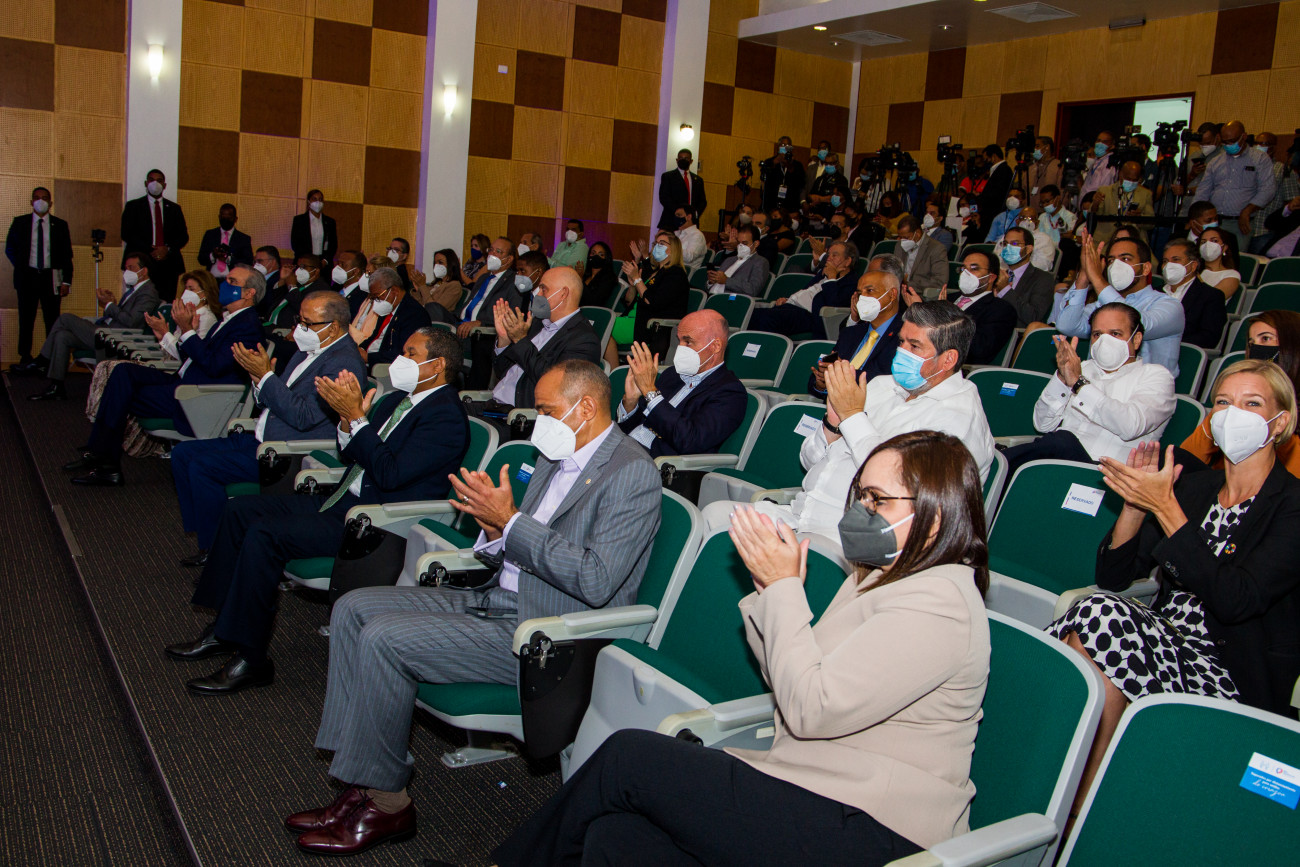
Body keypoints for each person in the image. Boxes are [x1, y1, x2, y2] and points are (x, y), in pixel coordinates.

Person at [491, 429, 991, 866]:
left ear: (934, 515)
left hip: (874, 828)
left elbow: (810, 709)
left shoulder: (940, 602)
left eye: (878, 500)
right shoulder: (879, 579)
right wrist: (771, 589)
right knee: (617, 838)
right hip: (812, 790)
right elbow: (789, 677)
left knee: (629, 758)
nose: (861, 510)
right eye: (860, 496)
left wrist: (784, 590)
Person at [283, 361, 661, 855]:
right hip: (496, 597)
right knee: (354, 608)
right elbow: (518, 543)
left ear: (585, 407)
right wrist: (494, 529)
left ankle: (386, 803)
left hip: (547, 633)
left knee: (383, 638)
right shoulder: (554, 456)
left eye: (547, 410)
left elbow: (595, 580)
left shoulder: (632, 472)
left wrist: (513, 522)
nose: (538, 421)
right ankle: (358, 778)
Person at [1051, 360, 1300, 821]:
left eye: (1251, 404)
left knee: (1102, 620)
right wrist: (1134, 507)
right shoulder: (1196, 487)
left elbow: (1236, 600)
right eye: (1223, 402)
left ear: (1280, 422)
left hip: (1230, 670)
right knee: (1100, 615)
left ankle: (1072, 805)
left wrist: (1166, 508)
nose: (1232, 413)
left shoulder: (1292, 507)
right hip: (1162, 641)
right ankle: (1075, 803)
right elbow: (1114, 575)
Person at [167, 328, 469, 697]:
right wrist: (346, 421)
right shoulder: (396, 401)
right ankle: (223, 629)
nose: (400, 359)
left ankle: (251, 659)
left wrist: (356, 419)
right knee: (239, 510)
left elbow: (390, 474)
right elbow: (351, 453)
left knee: (264, 534)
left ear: (437, 365)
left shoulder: (446, 417)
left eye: (411, 352)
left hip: (375, 522)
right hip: (342, 500)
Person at [703, 302, 995, 536]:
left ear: (948, 359)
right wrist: (833, 424)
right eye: (902, 342)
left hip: (862, 538)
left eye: (915, 346)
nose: (901, 352)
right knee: (714, 516)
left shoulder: (958, 420)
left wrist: (853, 417)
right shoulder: (882, 386)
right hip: (803, 515)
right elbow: (809, 460)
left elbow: (897, 488)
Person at [170, 291, 366, 567]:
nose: (299, 328)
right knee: (182, 454)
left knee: (202, 467)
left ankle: (216, 551)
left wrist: (266, 376)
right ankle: (206, 535)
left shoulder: (343, 362)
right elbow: (274, 397)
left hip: (288, 453)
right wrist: (259, 380)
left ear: (333, 327)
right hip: (262, 437)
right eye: (300, 320)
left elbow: (304, 416)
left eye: (307, 323)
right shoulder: (307, 351)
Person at [65, 265, 266, 486]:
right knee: (122, 372)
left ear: (250, 293)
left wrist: (187, 331)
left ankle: (105, 464)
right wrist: (180, 334)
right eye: (226, 280)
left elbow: (214, 366)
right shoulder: (229, 319)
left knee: (121, 393)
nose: (225, 285)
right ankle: (98, 454)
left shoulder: (247, 326)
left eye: (232, 282)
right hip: (185, 380)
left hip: (198, 397)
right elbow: (195, 359)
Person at [1002, 303, 1175, 476]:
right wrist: (1062, 378)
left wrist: (1079, 384)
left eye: (1115, 334)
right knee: (1055, 443)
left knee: (1062, 440)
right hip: (1057, 463)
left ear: (1136, 340)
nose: (1105, 341)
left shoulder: (1156, 376)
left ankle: (996, 465)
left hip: (1107, 475)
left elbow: (1130, 426)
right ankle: (996, 463)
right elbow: (1042, 424)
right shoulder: (1081, 368)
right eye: (1097, 334)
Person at [21, 252, 161, 400]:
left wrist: (109, 305)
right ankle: (57, 386)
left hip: (118, 338)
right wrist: (112, 302)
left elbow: (132, 321)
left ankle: (43, 360)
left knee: (65, 318)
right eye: (126, 268)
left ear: (143, 271)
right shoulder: (134, 290)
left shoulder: (148, 293)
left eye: (131, 268)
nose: (127, 272)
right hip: (107, 332)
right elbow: (122, 316)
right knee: (62, 336)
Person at [1181, 310, 1300, 475]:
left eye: (1266, 338)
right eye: (1251, 343)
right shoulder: (1231, 401)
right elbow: (1185, 461)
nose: (1256, 348)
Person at [1053, 229, 1185, 377]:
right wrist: (1084, 277)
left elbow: (1136, 324)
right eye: (1111, 260)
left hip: (1145, 387)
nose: (1116, 265)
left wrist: (1097, 278)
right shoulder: (1101, 305)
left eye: (1125, 259)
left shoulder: (1169, 306)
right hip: (1098, 384)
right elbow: (1067, 325)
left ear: (1146, 268)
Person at [617, 310, 747, 457]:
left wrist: (650, 391)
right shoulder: (672, 374)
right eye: (679, 341)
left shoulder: (730, 392)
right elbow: (636, 424)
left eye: (688, 342)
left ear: (715, 346)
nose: (680, 348)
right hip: (625, 445)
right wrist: (631, 401)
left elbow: (690, 441)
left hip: (653, 461)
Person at [484, 267, 603, 413]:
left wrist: (521, 340)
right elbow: (501, 370)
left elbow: (557, 387)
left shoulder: (583, 339)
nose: (538, 294)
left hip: (520, 417)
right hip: (494, 404)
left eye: (543, 289)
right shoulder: (537, 323)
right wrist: (504, 340)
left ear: (563, 294)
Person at [807, 265, 903, 400]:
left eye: (869, 291)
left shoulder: (905, 336)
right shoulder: (850, 333)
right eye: (859, 293)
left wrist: (844, 374)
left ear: (892, 294)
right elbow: (816, 380)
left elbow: (886, 382)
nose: (863, 297)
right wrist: (821, 383)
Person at [6, 186, 73, 370]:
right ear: (31, 202)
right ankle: (25, 356)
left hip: (51, 278)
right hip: (27, 278)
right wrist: (22, 266)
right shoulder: (20, 222)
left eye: (44, 198)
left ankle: (50, 358)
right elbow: (10, 248)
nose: (40, 201)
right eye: (37, 197)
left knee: (52, 320)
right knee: (26, 319)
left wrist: (66, 281)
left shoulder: (60, 225)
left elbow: (67, 256)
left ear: (50, 203)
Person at [1193, 120, 1277, 252]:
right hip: (1214, 223)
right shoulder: (1216, 162)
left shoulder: (1260, 159)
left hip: (1240, 224)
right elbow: (1203, 191)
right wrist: (1194, 216)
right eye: (1225, 142)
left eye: (1232, 141)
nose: (1228, 145)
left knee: (1234, 259)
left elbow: (1268, 189)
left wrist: (1248, 210)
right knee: (1209, 257)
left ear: (1243, 137)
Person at [607, 233, 690, 364]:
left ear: (673, 249)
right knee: (599, 326)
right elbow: (630, 301)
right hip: (635, 320)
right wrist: (633, 284)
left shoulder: (676, 274)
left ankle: (612, 369)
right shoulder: (654, 272)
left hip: (650, 326)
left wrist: (637, 279)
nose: (657, 246)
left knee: (602, 329)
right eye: (656, 243)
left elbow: (652, 302)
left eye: (662, 243)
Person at [749, 239, 857, 339]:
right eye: (828, 254)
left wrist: (832, 279)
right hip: (791, 308)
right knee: (750, 314)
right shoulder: (823, 274)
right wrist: (788, 299)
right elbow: (806, 291)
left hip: (810, 315)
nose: (828, 258)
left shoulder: (851, 283)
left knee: (767, 318)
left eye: (835, 255)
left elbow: (834, 304)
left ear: (848, 261)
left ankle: (763, 350)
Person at [120, 169, 188, 301]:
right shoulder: (133, 206)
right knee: (140, 302)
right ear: (146, 183)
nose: (155, 183)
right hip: (142, 263)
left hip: (168, 265)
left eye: (159, 180)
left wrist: (166, 249)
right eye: (151, 180)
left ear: (164, 185)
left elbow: (183, 236)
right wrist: (151, 249)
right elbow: (126, 234)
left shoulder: (174, 209)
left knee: (166, 302)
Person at [349, 267, 431, 371]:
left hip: (386, 368)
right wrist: (359, 349)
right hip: (371, 361)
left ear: (394, 291)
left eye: (378, 296)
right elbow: (374, 337)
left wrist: (368, 357)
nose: (376, 301)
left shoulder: (414, 314)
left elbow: (403, 353)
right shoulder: (388, 307)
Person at [946, 249, 1017, 366]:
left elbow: (980, 349)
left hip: (957, 365)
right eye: (963, 269)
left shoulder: (1001, 310)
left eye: (974, 269)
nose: (966, 273)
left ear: (991, 277)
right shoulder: (947, 298)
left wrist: (948, 316)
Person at [1159, 239, 1227, 349]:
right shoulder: (1154, 292)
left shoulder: (1210, 296)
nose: (1169, 265)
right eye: (1165, 261)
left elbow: (1208, 338)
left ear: (1193, 265)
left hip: (1183, 352)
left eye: (1176, 260)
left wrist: (1167, 343)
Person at [993, 225, 1056, 327]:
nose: (1008, 248)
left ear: (1028, 249)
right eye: (1005, 244)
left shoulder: (1043, 279)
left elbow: (1033, 317)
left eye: (1014, 243)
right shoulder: (997, 276)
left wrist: (1005, 290)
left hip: (1016, 332)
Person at [1091, 161, 1154, 245]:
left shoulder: (1146, 194)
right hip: (1106, 241)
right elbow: (1093, 214)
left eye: (1134, 180)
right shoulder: (1104, 191)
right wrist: (1095, 204)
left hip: (1135, 242)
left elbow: (1151, 224)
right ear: (1121, 174)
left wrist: (1139, 218)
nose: (1131, 182)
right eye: (1128, 179)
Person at [707, 225, 770, 297]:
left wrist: (726, 281)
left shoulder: (760, 262)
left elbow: (753, 289)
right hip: (711, 296)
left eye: (744, 243)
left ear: (756, 244)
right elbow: (709, 286)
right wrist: (711, 281)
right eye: (738, 242)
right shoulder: (729, 260)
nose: (740, 246)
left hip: (732, 298)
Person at [196, 203, 253, 277]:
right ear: (219, 217)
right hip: (212, 279)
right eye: (223, 217)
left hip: (233, 278)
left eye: (229, 217)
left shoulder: (243, 239)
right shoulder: (210, 234)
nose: (226, 219)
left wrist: (228, 259)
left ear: (235, 219)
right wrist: (213, 255)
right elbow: (201, 259)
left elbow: (248, 262)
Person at [896, 213, 947, 296]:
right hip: (899, 292)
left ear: (918, 233)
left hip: (921, 294)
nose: (902, 240)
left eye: (906, 237)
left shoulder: (936, 248)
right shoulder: (899, 245)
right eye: (900, 237)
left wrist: (908, 285)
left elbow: (939, 282)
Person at [658, 149, 706, 229]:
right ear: (677, 160)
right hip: (671, 221)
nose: (683, 160)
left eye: (686, 158)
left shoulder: (698, 180)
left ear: (691, 161)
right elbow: (664, 198)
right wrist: (679, 213)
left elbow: (702, 201)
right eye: (681, 158)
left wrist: (695, 214)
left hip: (691, 222)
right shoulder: (668, 177)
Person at [417, 248, 464, 322]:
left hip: (435, 322)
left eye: (440, 262)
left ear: (451, 264)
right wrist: (418, 289)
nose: (436, 266)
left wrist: (422, 286)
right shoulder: (436, 283)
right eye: (435, 263)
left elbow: (435, 310)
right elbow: (420, 304)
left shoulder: (454, 285)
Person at [1195, 226, 1242, 300]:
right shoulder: (1193, 271)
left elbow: (1211, 300)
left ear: (1224, 247)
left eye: (1214, 241)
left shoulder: (1231, 275)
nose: (1208, 245)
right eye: (1203, 242)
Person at [290, 190, 337, 263]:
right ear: (309, 201)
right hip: (304, 262)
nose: (318, 202)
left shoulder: (330, 222)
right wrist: (308, 260)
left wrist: (325, 260)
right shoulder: (299, 220)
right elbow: (295, 244)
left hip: (324, 263)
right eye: (314, 199)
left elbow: (333, 244)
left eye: (320, 199)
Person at [330, 249, 369, 318]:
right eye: (338, 263)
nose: (338, 268)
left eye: (343, 265)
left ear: (355, 271)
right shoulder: (334, 289)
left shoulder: (363, 296)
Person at [580, 242, 618, 307]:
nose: (596, 257)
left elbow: (593, 301)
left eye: (601, 255)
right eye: (593, 253)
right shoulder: (586, 275)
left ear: (606, 258)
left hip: (590, 312)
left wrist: (579, 278)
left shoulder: (609, 278)